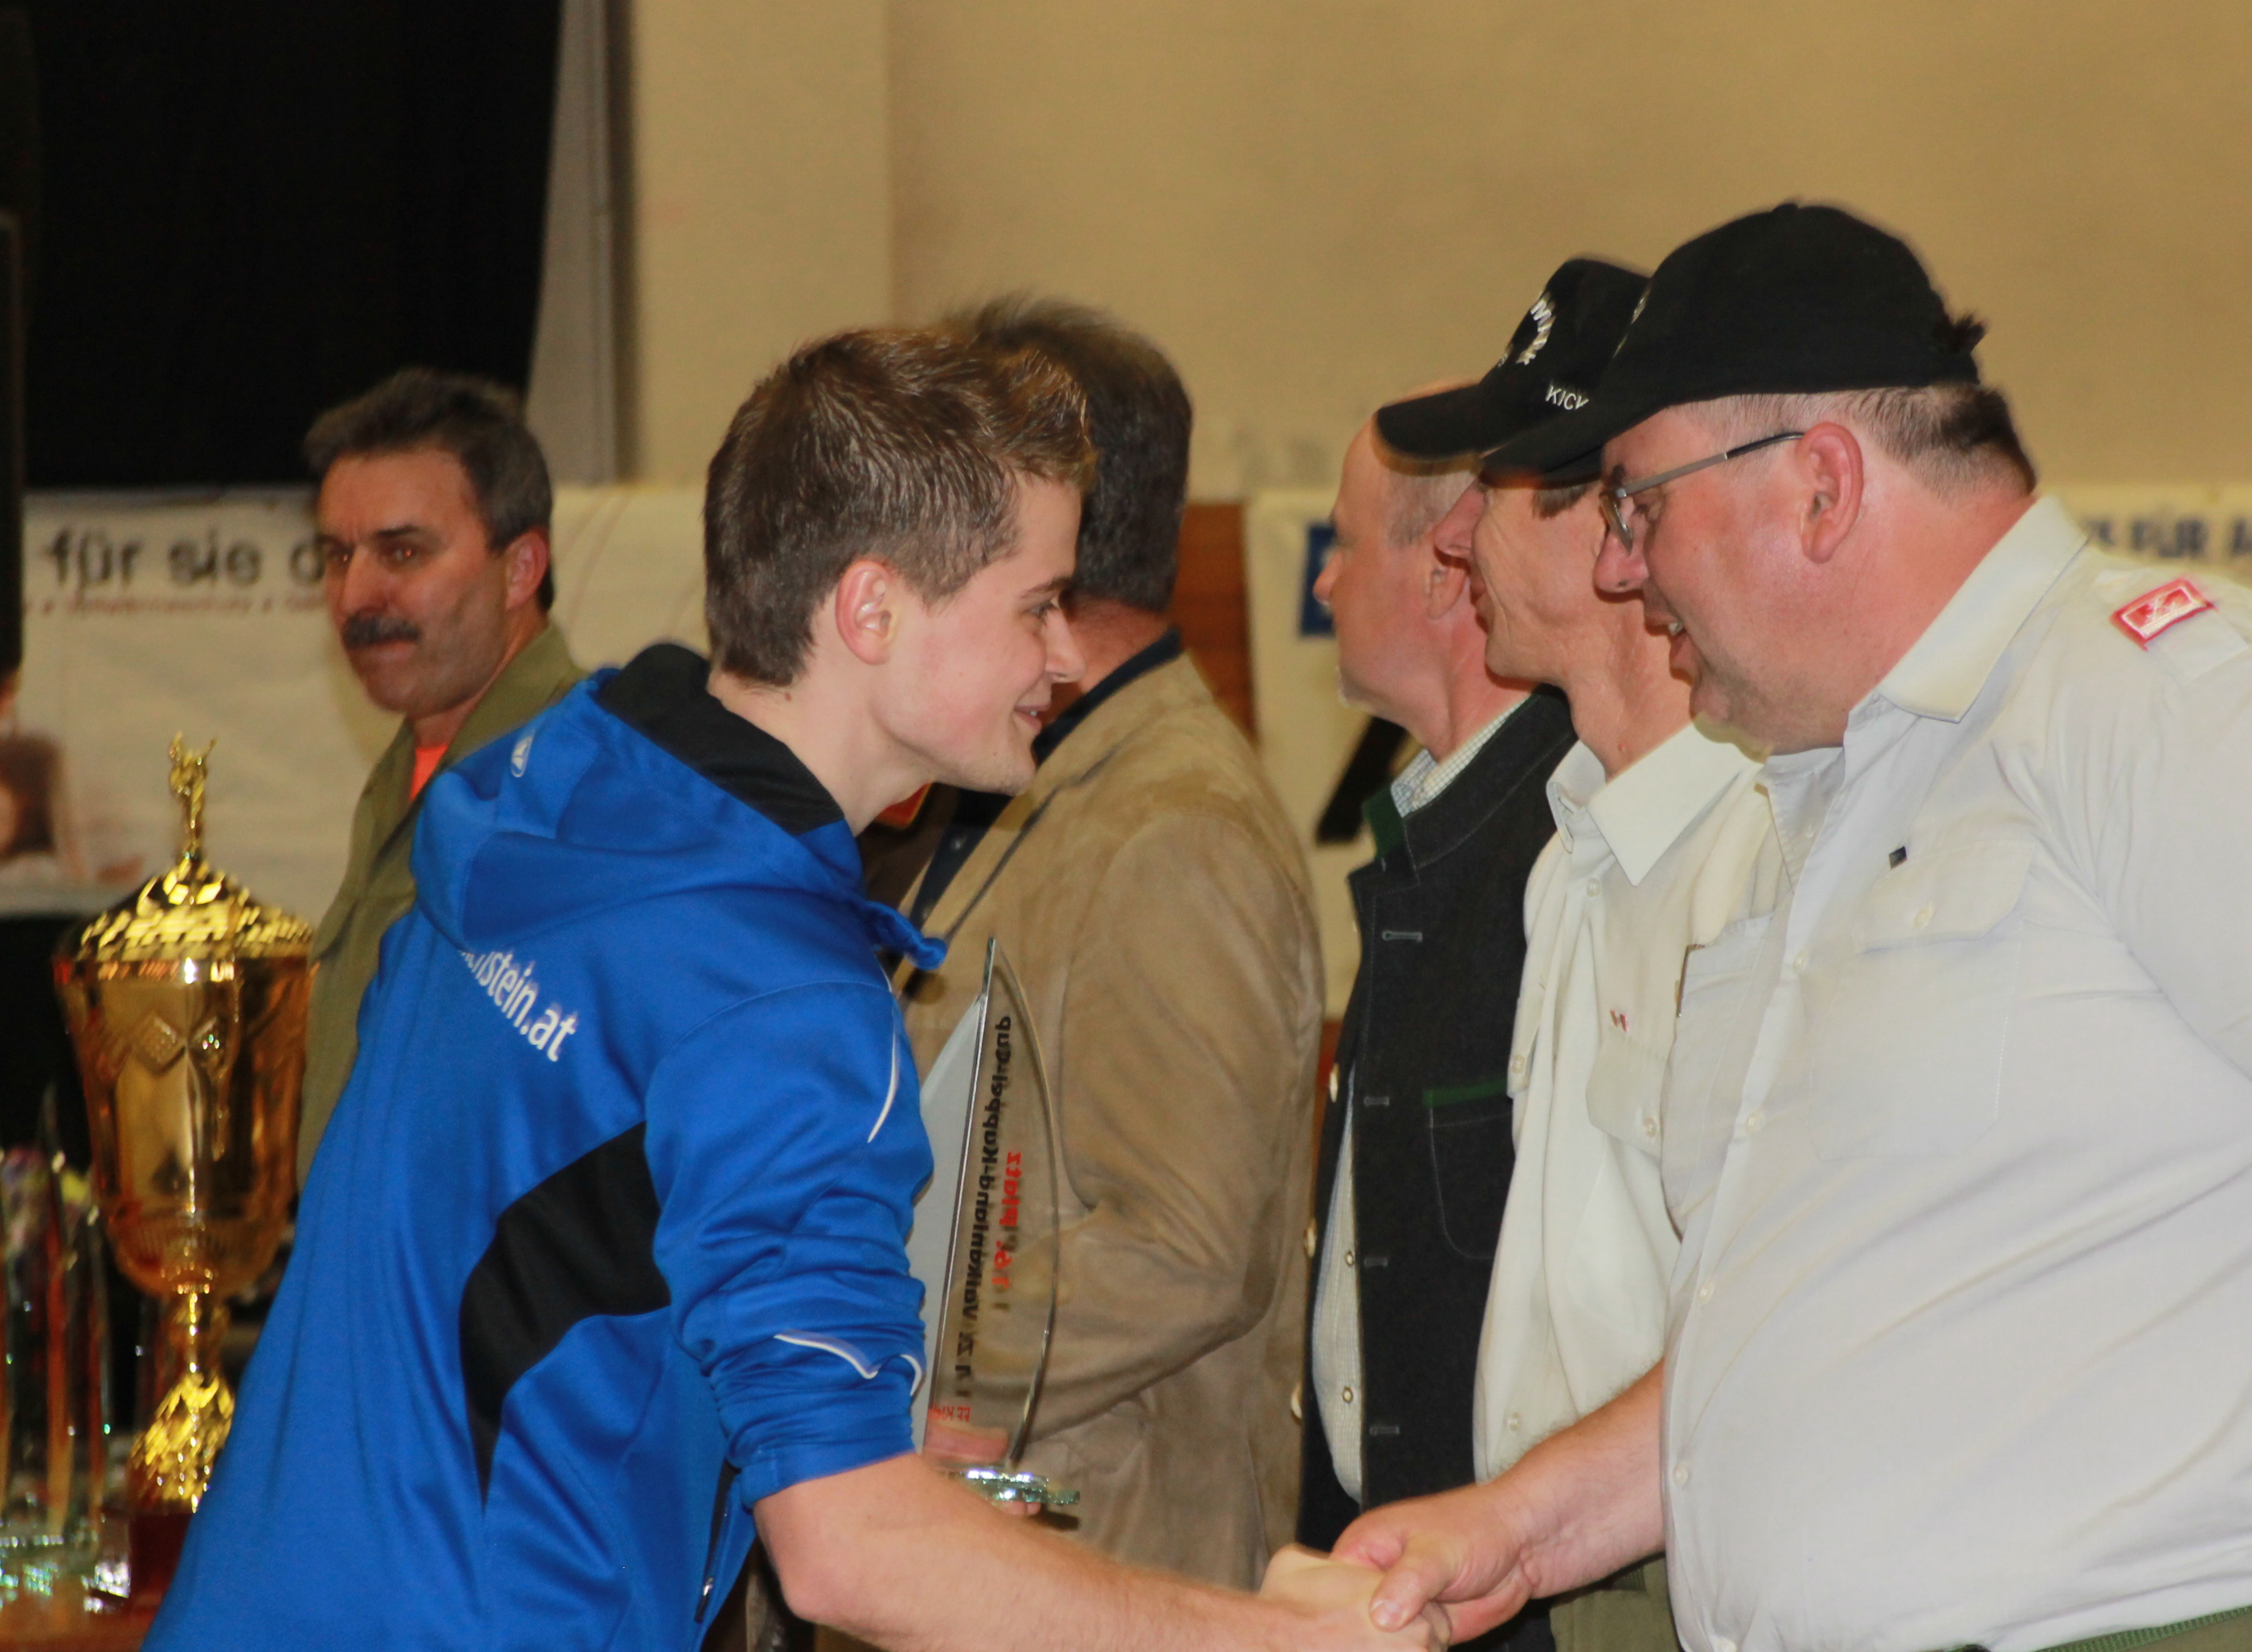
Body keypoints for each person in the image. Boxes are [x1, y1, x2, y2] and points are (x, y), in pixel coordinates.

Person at [150, 328, 1445, 1652]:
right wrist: (1278, 1638)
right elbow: (848, 1546)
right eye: (1036, 604)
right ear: (870, 611)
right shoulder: (779, 998)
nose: (1062, 655)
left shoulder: (545, 780)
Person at [1339, 202, 2252, 1652]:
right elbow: (1817, 1324)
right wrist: (1519, 1523)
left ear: (1819, 486)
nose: (1623, 569)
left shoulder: (2178, 711)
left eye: (1637, 506)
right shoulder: (1837, 790)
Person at [890, 295, 1323, 1589]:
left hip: (1108, 1558)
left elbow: (1183, 1251)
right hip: (1010, 1545)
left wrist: (882, 1350)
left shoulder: (1173, 827)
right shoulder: (1038, 771)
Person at [1374, 316, 1769, 1650]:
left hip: (1692, 1577)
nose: (1448, 541)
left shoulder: (1755, 858)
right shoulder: (1570, 853)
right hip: (1560, 1567)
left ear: (1614, 524)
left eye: (1486, 493)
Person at [1302, 264, 1652, 1642]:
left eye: (1343, 543)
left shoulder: (1622, 837)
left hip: (1571, 1591)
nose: (1324, 581)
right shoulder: (1539, 843)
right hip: (1448, 1573)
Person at [298, 367, 586, 1176]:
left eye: (403, 552)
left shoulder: (576, 785)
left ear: (521, 569)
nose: (355, 595)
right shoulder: (406, 773)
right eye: (337, 555)